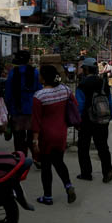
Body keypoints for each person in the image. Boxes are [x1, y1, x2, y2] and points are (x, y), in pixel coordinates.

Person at [31, 65, 77, 205]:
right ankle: (68, 185)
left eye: (40, 75)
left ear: (44, 78)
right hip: (61, 132)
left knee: (46, 166)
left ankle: (48, 196)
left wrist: (35, 141)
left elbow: (36, 121)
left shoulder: (39, 96)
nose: (39, 77)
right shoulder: (65, 90)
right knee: (59, 161)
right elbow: (74, 105)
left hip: (46, 135)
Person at [76, 58, 112, 183]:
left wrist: (78, 121)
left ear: (86, 69)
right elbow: (109, 100)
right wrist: (110, 115)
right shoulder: (103, 82)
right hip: (102, 118)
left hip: (87, 120)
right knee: (103, 146)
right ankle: (107, 171)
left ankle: (86, 173)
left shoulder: (82, 84)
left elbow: (80, 105)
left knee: (83, 147)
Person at [4, 50, 42, 157]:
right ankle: (36, 157)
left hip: (17, 109)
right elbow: (39, 90)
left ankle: (21, 158)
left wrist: (8, 108)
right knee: (32, 136)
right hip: (31, 109)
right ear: (28, 60)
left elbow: (8, 93)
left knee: (19, 138)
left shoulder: (13, 72)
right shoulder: (35, 72)